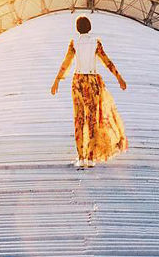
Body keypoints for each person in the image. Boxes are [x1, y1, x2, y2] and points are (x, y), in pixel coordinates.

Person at [51, 15, 128, 169]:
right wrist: (119, 78)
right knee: (92, 120)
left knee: (78, 120)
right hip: (91, 82)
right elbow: (107, 62)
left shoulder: (74, 43)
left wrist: (57, 80)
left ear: (77, 28)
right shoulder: (95, 43)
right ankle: (91, 158)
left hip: (77, 82)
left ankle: (81, 157)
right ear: (89, 27)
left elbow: (66, 63)